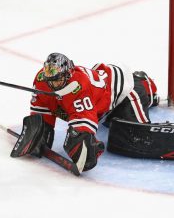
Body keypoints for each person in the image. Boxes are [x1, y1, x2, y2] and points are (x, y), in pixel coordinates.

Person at [9, 52, 160, 173]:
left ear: (68, 74)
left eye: (58, 80)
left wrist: (83, 140)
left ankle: (144, 84)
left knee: (135, 133)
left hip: (123, 92)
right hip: (100, 100)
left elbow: (83, 121)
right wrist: (39, 131)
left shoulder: (79, 87)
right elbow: (41, 109)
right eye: (51, 79)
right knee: (109, 122)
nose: (53, 84)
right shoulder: (42, 79)